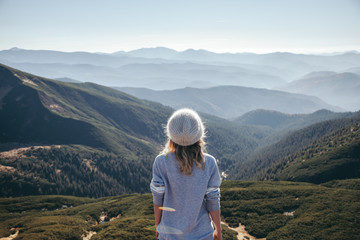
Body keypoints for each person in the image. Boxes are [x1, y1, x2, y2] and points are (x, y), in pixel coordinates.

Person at [150, 108, 222, 240]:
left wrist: (157, 226)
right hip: (203, 235)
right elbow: (213, 199)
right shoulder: (209, 163)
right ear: (199, 134)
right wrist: (218, 229)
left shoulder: (161, 162)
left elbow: (158, 199)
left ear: (171, 134)